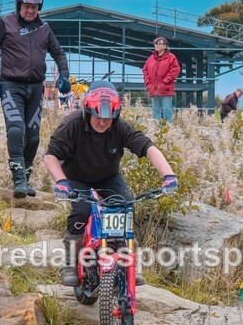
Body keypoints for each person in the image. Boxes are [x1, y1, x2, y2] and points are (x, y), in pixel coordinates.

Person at [43, 81, 178, 286]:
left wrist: (168, 175)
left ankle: (128, 263)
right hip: (76, 178)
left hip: (108, 177)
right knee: (82, 210)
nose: (102, 122)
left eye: (108, 117)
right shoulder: (72, 124)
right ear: (87, 111)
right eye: (97, 116)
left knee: (126, 207)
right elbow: (51, 156)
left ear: (115, 114)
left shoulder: (120, 127)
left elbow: (148, 147)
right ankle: (70, 262)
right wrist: (61, 182)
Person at [0, 0, 70, 199]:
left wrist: (64, 75)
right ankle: (18, 180)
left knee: (32, 137)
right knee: (15, 130)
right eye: (27, 6)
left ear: (38, 7)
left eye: (34, 7)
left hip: (35, 88)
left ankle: (27, 179)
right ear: (19, 5)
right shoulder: (5, 23)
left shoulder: (44, 28)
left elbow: (58, 52)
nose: (30, 10)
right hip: (11, 86)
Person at [142, 36, 180, 122]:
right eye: (156, 44)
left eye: (160, 44)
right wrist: (148, 83)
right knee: (155, 110)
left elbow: (175, 70)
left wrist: (165, 81)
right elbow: (145, 70)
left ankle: (168, 130)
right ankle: (156, 130)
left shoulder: (171, 57)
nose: (157, 45)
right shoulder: (151, 58)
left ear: (165, 46)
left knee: (167, 110)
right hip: (153, 89)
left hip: (166, 88)